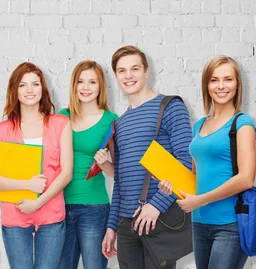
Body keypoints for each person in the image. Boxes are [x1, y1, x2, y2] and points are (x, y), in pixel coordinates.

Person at [101, 45, 193, 269]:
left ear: (146, 71)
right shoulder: (119, 123)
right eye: (122, 71)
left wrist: (155, 206)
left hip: (158, 220)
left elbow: (185, 163)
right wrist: (112, 226)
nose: (128, 75)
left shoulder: (171, 107)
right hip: (126, 226)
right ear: (115, 76)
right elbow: (121, 181)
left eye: (134, 68)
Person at [160, 55, 255, 269]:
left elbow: (246, 179)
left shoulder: (243, 124)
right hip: (200, 222)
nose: (221, 86)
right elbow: (197, 177)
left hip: (229, 223)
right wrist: (172, 186)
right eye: (214, 80)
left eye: (228, 79)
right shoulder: (199, 125)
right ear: (206, 85)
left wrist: (201, 200)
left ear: (237, 84)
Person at [0, 62, 73, 269]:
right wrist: (27, 185)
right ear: (15, 90)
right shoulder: (1, 130)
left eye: (35, 84)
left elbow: (66, 173)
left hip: (51, 213)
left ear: (43, 89)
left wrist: (38, 202)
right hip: (14, 213)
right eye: (23, 85)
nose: (30, 90)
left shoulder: (61, 124)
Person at [57, 60, 119, 269]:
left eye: (92, 82)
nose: (85, 87)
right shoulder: (61, 117)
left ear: (100, 86)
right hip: (59, 206)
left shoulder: (110, 120)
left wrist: (105, 164)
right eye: (80, 81)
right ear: (73, 85)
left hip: (94, 207)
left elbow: (118, 173)